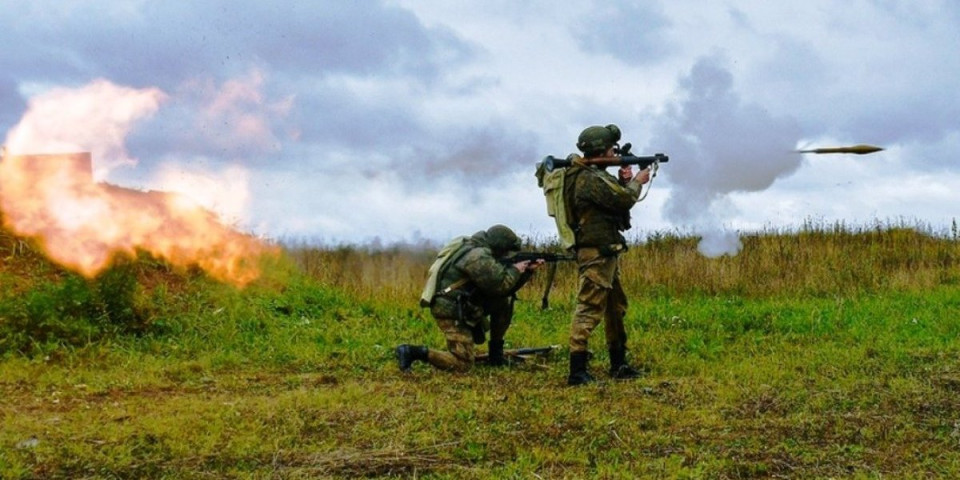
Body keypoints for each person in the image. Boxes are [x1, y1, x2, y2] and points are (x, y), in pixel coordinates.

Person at [564, 124, 650, 385]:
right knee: (589, 308)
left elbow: (615, 198)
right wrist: (637, 182)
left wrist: (625, 182)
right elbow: (623, 201)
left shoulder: (595, 175)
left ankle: (618, 364)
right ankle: (577, 371)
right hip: (597, 255)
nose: (616, 152)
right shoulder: (589, 178)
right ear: (602, 150)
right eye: (613, 149)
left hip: (607, 252)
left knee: (615, 308)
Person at [396, 224, 544, 372]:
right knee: (463, 365)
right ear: (500, 247)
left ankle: (496, 355)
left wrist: (526, 272)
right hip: (450, 310)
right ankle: (413, 352)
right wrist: (516, 269)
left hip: (463, 304)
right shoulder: (477, 256)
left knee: (503, 302)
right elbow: (499, 285)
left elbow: (504, 291)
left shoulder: (478, 248)